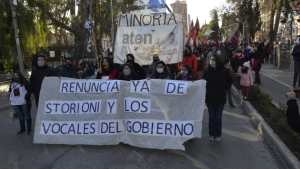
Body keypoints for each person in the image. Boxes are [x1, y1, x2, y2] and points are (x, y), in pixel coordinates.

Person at [203, 56, 231, 142]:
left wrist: (224, 88)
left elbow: (229, 81)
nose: (212, 61)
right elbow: (203, 82)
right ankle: (211, 134)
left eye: (213, 60)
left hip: (220, 98)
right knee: (211, 117)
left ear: (217, 61)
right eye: (211, 60)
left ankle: (218, 134)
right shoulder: (207, 71)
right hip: (210, 98)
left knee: (218, 118)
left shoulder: (224, 71)